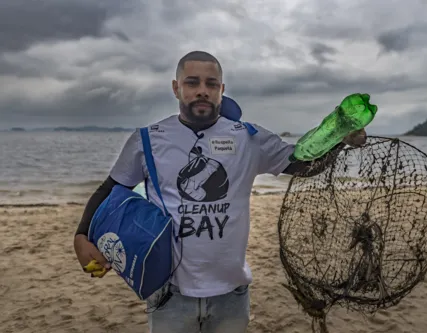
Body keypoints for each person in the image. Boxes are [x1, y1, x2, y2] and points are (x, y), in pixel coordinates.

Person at [73, 50, 366, 333]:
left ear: (221, 90)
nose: (202, 90)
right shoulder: (148, 139)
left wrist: (340, 138)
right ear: (176, 88)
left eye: (211, 84)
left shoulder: (249, 138)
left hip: (232, 293)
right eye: (192, 82)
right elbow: (112, 189)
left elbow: (303, 165)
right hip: (169, 294)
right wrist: (82, 235)